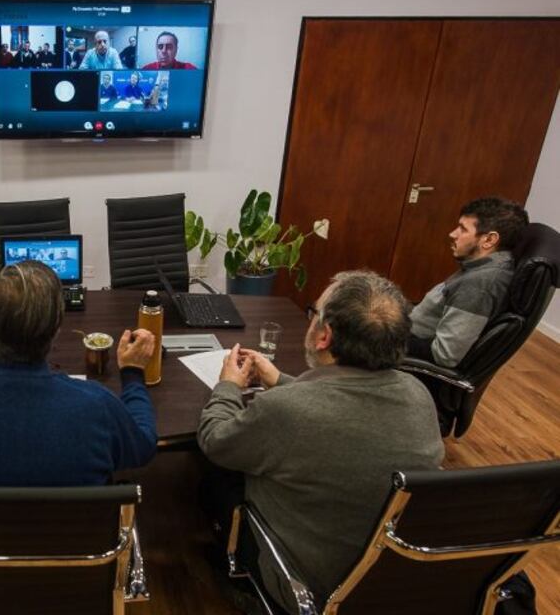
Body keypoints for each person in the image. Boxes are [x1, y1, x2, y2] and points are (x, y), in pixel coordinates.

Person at [198, 271, 444, 612]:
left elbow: (214, 440)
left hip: (307, 583)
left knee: (212, 470)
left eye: (313, 313)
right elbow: (342, 407)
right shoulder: (419, 396)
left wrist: (227, 386)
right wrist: (281, 380)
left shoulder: (286, 412)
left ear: (324, 336)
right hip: (388, 576)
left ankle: (244, 581)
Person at [0, 260, 157, 485]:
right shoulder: (97, 406)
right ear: (57, 329)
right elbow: (142, 448)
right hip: (73, 529)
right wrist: (133, 372)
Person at [408, 196, 528, 367]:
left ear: (489, 240)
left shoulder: (479, 285)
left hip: (402, 350)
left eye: (463, 229)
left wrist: (383, 340)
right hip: (406, 331)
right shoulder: (486, 267)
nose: (453, 234)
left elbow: (445, 354)